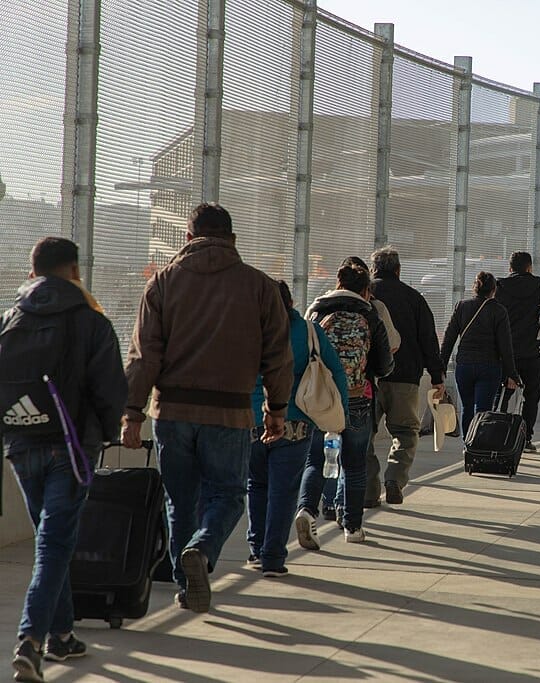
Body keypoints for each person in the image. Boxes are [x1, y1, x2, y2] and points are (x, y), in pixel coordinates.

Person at [121, 203, 293, 613]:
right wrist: (277, 408)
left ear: (187, 237)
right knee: (229, 495)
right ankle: (203, 548)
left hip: (172, 413)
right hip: (230, 414)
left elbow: (144, 356)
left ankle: (186, 584)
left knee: (179, 502)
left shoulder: (162, 283)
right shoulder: (260, 287)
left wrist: (132, 413)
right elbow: (278, 357)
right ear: (232, 239)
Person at [3, 238, 127, 682]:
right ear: (74, 269)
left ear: (32, 270)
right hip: (70, 447)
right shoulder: (89, 320)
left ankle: (61, 635)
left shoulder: (10, 318)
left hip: (20, 442)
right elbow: (111, 388)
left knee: (49, 539)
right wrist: (108, 434)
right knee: (54, 544)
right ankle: (30, 641)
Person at [246, 281, 348, 577]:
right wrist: (338, 414)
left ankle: (256, 548)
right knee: (283, 490)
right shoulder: (309, 331)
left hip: (251, 420)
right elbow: (336, 371)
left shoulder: (247, 331)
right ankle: (273, 557)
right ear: (290, 301)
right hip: (296, 424)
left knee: (257, 484)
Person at [297, 264, 394, 548]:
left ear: (337, 282)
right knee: (354, 464)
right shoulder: (370, 315)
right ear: (366, 290)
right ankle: (352, 527)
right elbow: (384, 365)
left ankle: (306, 510)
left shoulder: (317, 311)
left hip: (321, 399)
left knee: (315, 461)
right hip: (357, 398)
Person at [366, 246, 445, 506]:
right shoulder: (414, 298)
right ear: (398, 270)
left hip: (368, 379)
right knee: (405, 432)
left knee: (363, 435)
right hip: (405, 377)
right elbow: (428, 340)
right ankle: (394, 479)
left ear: (373, 269)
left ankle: (368, 488)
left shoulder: (363, 296)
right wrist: (436, 375)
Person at [441, 271, 519, 437]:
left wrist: (440, 368)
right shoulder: (499, 311)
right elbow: (505, 346)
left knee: (467, 408)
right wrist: (511, 373)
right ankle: (479, 444)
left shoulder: (461, 306)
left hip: (464, 366)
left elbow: (449, 339)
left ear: (475, 288)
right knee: (483, 411)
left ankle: (467, 445)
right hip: (489, 366)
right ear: (494, 290)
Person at [495, 251, 540, 452]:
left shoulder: (500, 287)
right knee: (531, 396)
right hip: (533, 350)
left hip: (506, 352)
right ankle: (525, 437)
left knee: (503, 393)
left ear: (510, 268)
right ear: (530, 267)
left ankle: (497, 433)